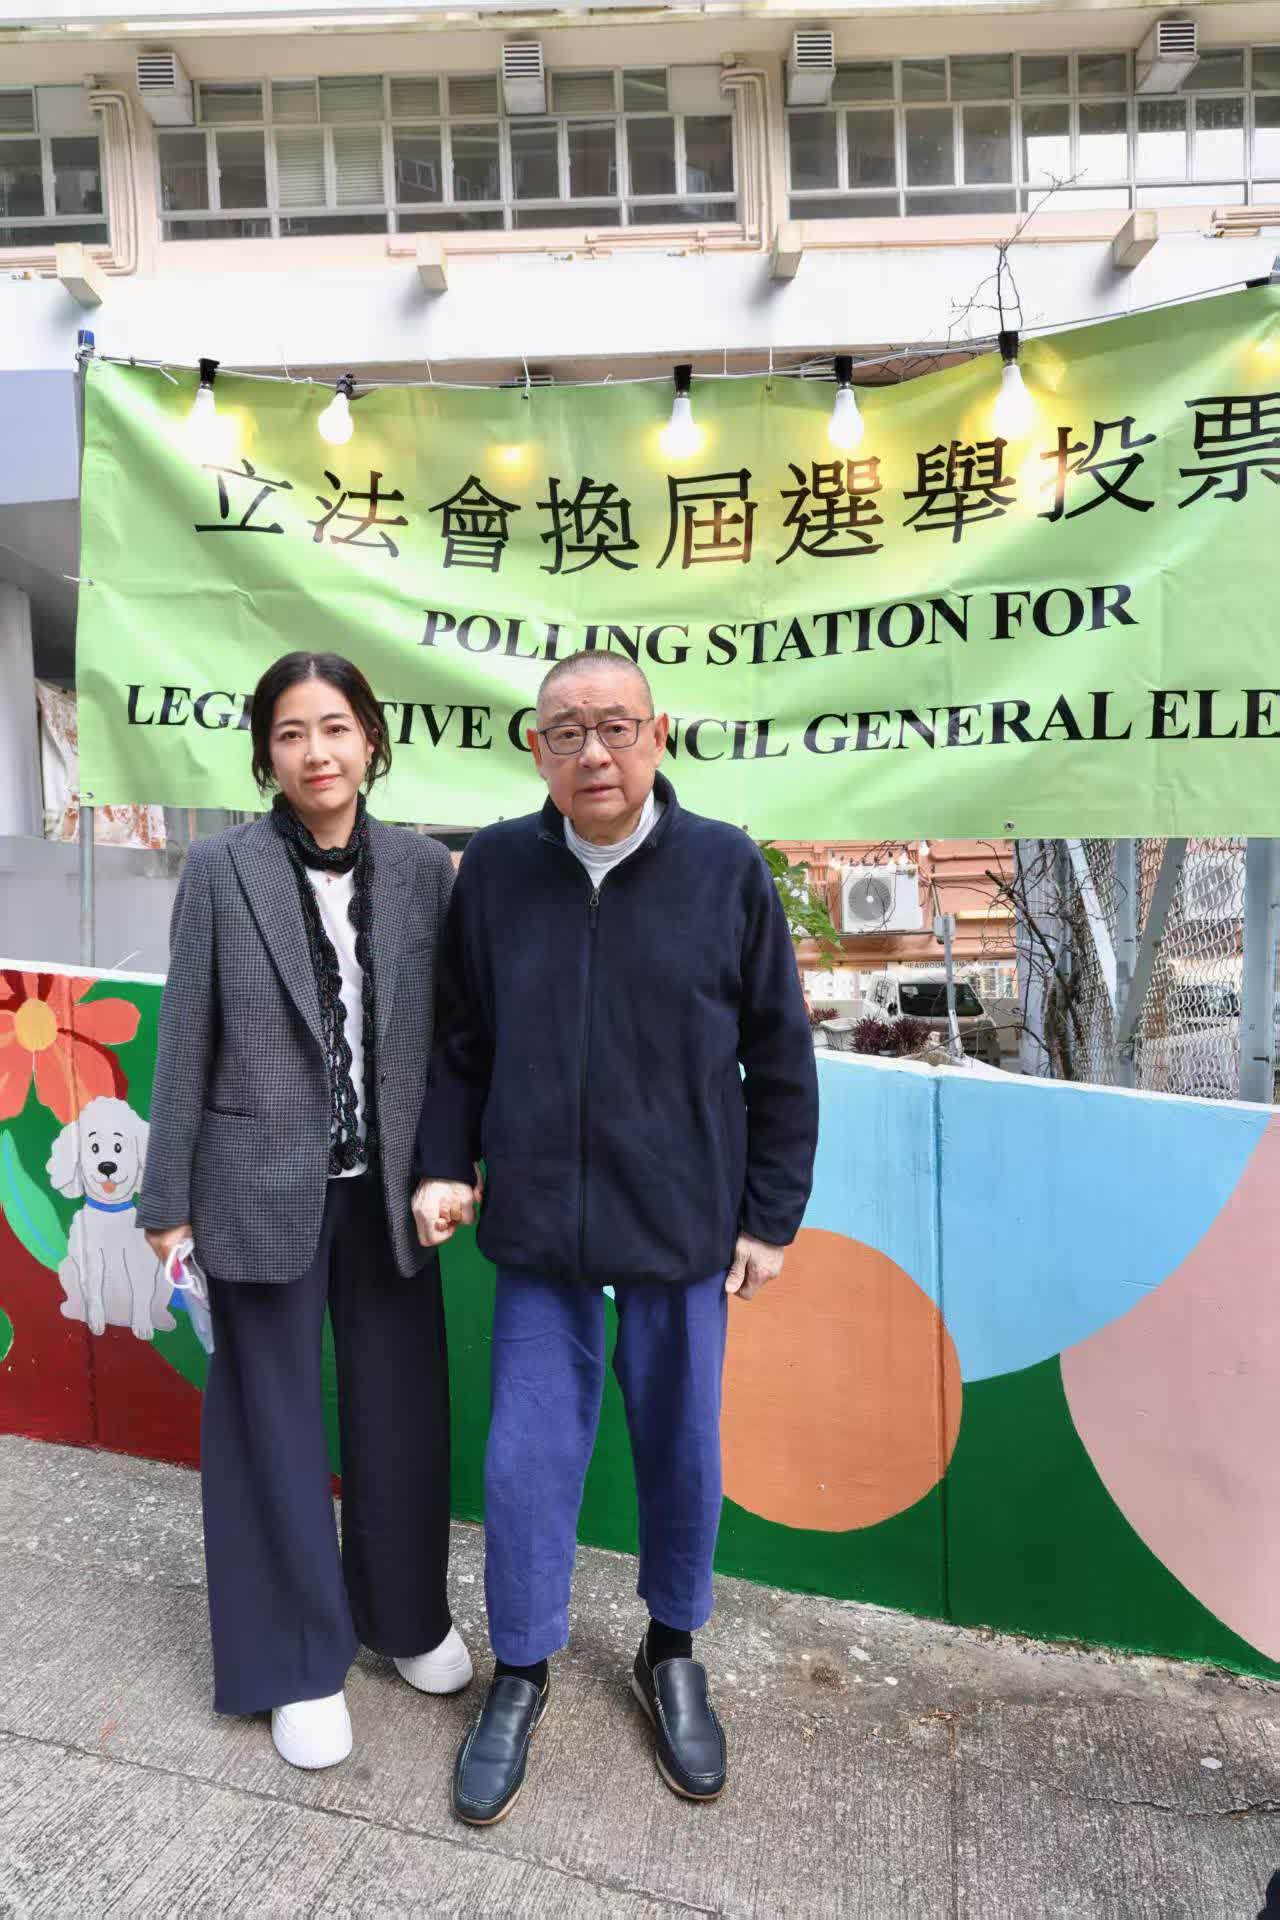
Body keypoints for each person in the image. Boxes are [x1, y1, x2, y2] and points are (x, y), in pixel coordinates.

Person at [413, 651, 818, 1825]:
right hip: (540, 1222)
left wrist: (769, 1217)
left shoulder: (724, 868)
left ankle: (671, 1649)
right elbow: (460, 1043)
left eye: (615, 727)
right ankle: (521, 1667)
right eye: (566, 731)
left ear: (658, 734)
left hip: (680, 1220)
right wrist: (443, 1161)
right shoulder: (494, 869)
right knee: (525, 1461)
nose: (592, 752)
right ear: (533, 746)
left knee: (681, 1449)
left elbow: (779, 1057)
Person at [139, 650, 472, 1771]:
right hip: (253, 1186)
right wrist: (166, 1201)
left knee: (401, 1413)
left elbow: (449, 1040)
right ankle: (294, 1659)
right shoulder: (220, 867)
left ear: (371, 738)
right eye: (290, 733)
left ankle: (404, 1615)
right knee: (268, 1427)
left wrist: (447, 1164)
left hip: (390, 1194)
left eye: (334, 728)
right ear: (265, 754)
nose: (315, 752)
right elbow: (185, 1035)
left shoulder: (423, 869)